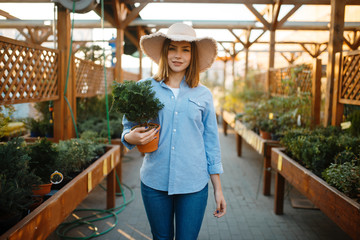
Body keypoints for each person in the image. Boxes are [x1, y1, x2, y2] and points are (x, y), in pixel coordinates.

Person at [121, 22, 226, 240]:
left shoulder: (203, 94)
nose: (178, 55)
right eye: (172, 48)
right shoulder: (144, 88)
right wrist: (130, 137)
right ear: (164, 52)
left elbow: (211, 142)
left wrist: (218, 188)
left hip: (194, 185)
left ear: (192, 55)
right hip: (154, 181)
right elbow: (127, 128)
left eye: (185, 49)